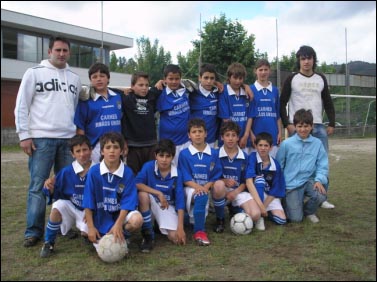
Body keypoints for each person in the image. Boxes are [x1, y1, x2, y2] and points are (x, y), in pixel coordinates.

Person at [14, 35, 82, 248]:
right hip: (41, 139)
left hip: (68, 140)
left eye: (65, 51)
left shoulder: (75, 78)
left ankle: (63, 227)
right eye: (58, 50)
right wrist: (24, 134)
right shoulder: (34, 73)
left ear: (69, 53)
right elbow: (21, 105)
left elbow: (78, 107)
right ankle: (33, 231)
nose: (61, 54)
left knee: (66, 186)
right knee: (37, 186)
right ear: (49, 51)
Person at [279, 45, 335, 209]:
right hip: (298, 128)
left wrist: (331, 122)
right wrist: (287, 124)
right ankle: (294, 193)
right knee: (294, 162)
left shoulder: (320, 78)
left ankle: (321, 197)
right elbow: (282, 103)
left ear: (313, 60)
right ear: (299, 60)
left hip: (317, 127)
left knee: (321, 162)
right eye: (303, 58)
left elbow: (328, 101)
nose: (306, 61)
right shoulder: (292, 78)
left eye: (309, 58)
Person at [83, 132, 143, 249]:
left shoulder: (127, 172)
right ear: (101, 151)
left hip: (119, 216)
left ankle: (122, 235)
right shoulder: (94, 172)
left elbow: (128, 202)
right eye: (108, 147)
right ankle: (100, 233)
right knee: (84, 231)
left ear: (121, 151)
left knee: (136, 220)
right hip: (100, 215)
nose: (112, 151)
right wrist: (90, 227)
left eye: (116, 147)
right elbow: (88, 200)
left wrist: (118, 224)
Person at [39, 134, 94, 258]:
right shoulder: (66, 172)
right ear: (72, 154)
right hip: (74, 207)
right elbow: (55, 193)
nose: (82, 154)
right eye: (78, 151)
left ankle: (85, 234)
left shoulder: (99, 170)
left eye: (85, 150)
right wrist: (50, 188)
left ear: (91, 150)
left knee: (88, 232)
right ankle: (49, 243)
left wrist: (93, 211)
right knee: (58, 205)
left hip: (91, 211)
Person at [276, 109, 328, 223]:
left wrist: (319, 180)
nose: (303, 129)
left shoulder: (317, 143)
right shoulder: (287, 144)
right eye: (299, 126)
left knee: (321, 195)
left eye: (306, 126)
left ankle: (309, 211)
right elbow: (279, 165)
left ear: (311, 126)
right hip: (291, 184)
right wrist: (281, 185)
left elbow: (322, 164)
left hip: (308, 180)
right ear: (295, 126)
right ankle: (287, 202)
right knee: (295, 219)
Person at [135, 139, 186, 253]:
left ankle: (158, 226)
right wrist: (158, 193)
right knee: (143, 195)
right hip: (151, 204)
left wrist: (180, 227)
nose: (164, 159)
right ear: (155, 155)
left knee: (177, 239)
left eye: (167, 156)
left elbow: (180, 201)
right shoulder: (148, 167)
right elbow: (137, 184)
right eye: (161, 155)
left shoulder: (177, 173)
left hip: (167, 207)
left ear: (173, 157)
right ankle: (148, 235)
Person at [178, 118, 222, 246]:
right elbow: (185, 177)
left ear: (206, 133)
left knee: (202, 195)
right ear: (189, 135)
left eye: (200, 131)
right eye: (194, 131)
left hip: (205, 188)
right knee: (201, 195)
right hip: (189, 188)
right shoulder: (184, 154)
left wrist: (207, 186)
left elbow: (216, 174)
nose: (197, 134)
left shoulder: (214, 153)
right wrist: (199, 187)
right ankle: (199, 232)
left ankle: (195, 221)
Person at [212, 120, 259, 233]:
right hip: (220, 190)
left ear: (238, 137)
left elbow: (246, 181)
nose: (230, 138)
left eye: (234, 135)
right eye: (227, 135)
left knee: (255, 215)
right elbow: (210, 178)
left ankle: (235, 209)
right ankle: (220, 220)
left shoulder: (245, 157)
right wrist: (223, 180)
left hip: (238, 190)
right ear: (222, 137)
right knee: (219, 185)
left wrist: (235, 192)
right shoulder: (214, 154)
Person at [74, 62, 123, 163]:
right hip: (96, 146)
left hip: (117, 145)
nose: (99, 79)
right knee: (98, 176)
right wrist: (84, 148)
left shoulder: (118, 96)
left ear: (108, 78)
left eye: (102, 76)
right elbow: (80, 127)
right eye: (94, 77)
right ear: (90, 80)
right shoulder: (86, 101)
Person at [121, 71, 161, 175]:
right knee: (133, 176)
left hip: (151, 144)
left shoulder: (152, 96)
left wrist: (161, 82)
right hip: (133, 145)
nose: (144, 88)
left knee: (150, 175)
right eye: (140, 85)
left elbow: (170, 82)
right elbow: (108, 90)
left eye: (147, 85)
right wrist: (123, 90)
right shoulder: (126, 98)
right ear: (132, 86)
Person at [245, 132, 287, 230]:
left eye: (266, 145)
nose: (263, 148)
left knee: (281, 220)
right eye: (260, 145)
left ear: (271, 147)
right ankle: (258, 217)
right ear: (255, 146)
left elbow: (275, 190)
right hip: (253, 193)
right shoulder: (252, 157)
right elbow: (249, 182)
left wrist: (264, 206)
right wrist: (261, 206)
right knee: (260, 179)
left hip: (268, 196)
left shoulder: (275, 165)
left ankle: (263, 213)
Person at [154, 64, 191, 165]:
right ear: (164, 79)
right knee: (168, 171)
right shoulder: (159, 93)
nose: (174, 82)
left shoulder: (188, 90)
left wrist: (217, 84)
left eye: (177, 79)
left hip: (186, 141)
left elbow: (206, 86)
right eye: (170, 79)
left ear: (180, 79)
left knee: (184, 170)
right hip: (167, 143)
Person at [248, 59, 282, 157]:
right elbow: (248, 116)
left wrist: (280, 132)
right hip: (256, 137)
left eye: (266, 69)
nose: (263, 72)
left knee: (271, 168)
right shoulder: (250, 89)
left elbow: (277, 115)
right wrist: (251, 134)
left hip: (272, 136)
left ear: (269, 71)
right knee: (256, 168)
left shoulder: (275, 90)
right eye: (260, 70)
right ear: (255, 71)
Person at [218, 62, 252, 153]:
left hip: (244, 140)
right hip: (229, 139)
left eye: (240, 78)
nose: (238, 81)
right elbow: (226, 120)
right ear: (229, 77)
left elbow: (250, 117)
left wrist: (245, 135)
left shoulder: (247, 93)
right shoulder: (223, 92)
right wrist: (234, 138)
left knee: (243, 165)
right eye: (235, 78)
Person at [189, 63, 221, 148]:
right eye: (206, 78)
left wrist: (245, 86)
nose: (209, 81)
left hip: (211, 140)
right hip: (193, 141)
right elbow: (175, 84)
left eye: (212, 78)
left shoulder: (218, 93)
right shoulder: (192, 92)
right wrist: (162, 82)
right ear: (200, 78)